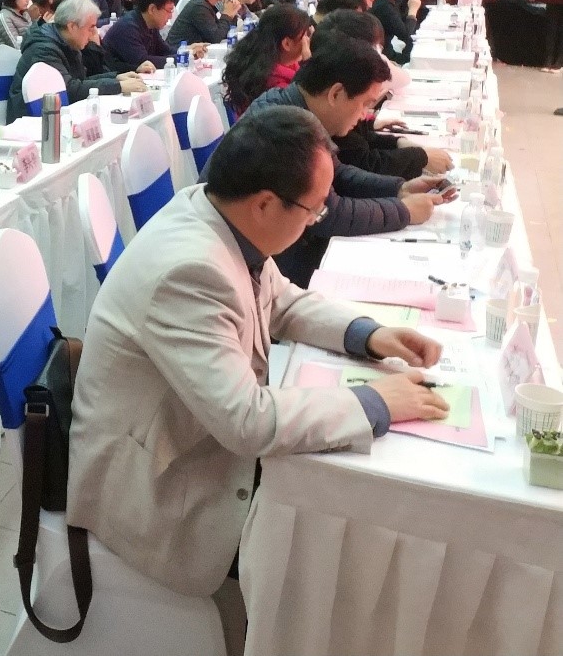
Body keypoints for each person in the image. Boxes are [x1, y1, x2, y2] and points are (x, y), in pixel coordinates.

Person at [67, 105, 449, 619]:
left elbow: (280, 301)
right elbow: (246, 421)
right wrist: (374, 402)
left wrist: (369, 335)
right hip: (156, 487)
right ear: (266, 203)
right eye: (313, 211)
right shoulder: (190, 271)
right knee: (339, 547)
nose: (315, 220)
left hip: (183, 434)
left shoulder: (219, 215)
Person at [244, 36, 452, 284]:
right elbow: (328, 215)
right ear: (336, 93)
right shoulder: (286, 128)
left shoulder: (298, 110)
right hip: (266, 265)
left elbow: (338, 173)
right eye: (365, 104)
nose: (364, 115)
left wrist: (398, 188)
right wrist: (403, 211)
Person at [314, 12, 451, 178]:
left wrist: (399, 143)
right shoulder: (313, 123)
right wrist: (419, 157)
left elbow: (359, 144)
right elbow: (361, 165)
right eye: (375, 50)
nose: (364, 114)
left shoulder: (333, 101)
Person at [7, 0, 143, 121]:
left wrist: (115, 77)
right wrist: (118, 86)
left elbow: (79, 81)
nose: (94, 33)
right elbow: (69, 90)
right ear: (72, 26)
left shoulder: (67, 42)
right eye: (91, 27)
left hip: (57, 114)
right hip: (32, 121)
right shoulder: (44, 48)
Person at [221, 4, 313, 115]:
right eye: (304, 36)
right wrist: (309, 65)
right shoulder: (276, 86)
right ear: (287, 44)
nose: (307, 40)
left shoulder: (259, 60)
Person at [102, 0, 187, 73]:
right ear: (152, 9)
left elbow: (165, 50)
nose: (170, 16)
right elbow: (144, 62)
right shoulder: (128, 27)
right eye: (169, 11)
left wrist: (187, 52)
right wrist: (181, 58)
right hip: (115, 76)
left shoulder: (150, 23)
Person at [166, 0, 240, 47]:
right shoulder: (198, 7)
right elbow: (216, 38)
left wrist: (232, 12)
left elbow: (225, 32)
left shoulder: (206, 3)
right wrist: (227, 14)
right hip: (179, 51)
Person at [370, 0, 420, 64]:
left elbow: (400, 18)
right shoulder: (384, 6)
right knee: (415, 51)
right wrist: (413, 11)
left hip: (385, 50)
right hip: (384, 55)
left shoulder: (384, 0)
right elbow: (405, 33)